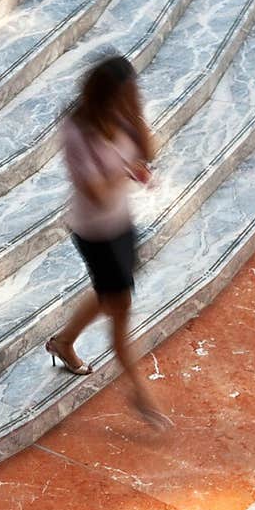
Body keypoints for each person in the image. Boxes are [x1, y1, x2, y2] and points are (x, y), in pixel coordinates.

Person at [47, 54, 168, 427]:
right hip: (95, 232)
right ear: (105, 95)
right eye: (126, 96)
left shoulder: (122, 116)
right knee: (120, 309)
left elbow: (149, 153)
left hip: (121, 225)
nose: (130, 102)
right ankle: (140, 393)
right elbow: (95, 193)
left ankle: (63, 342)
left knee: (110, 297)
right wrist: (127, 172)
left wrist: (135, 114)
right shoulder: (77, 130)